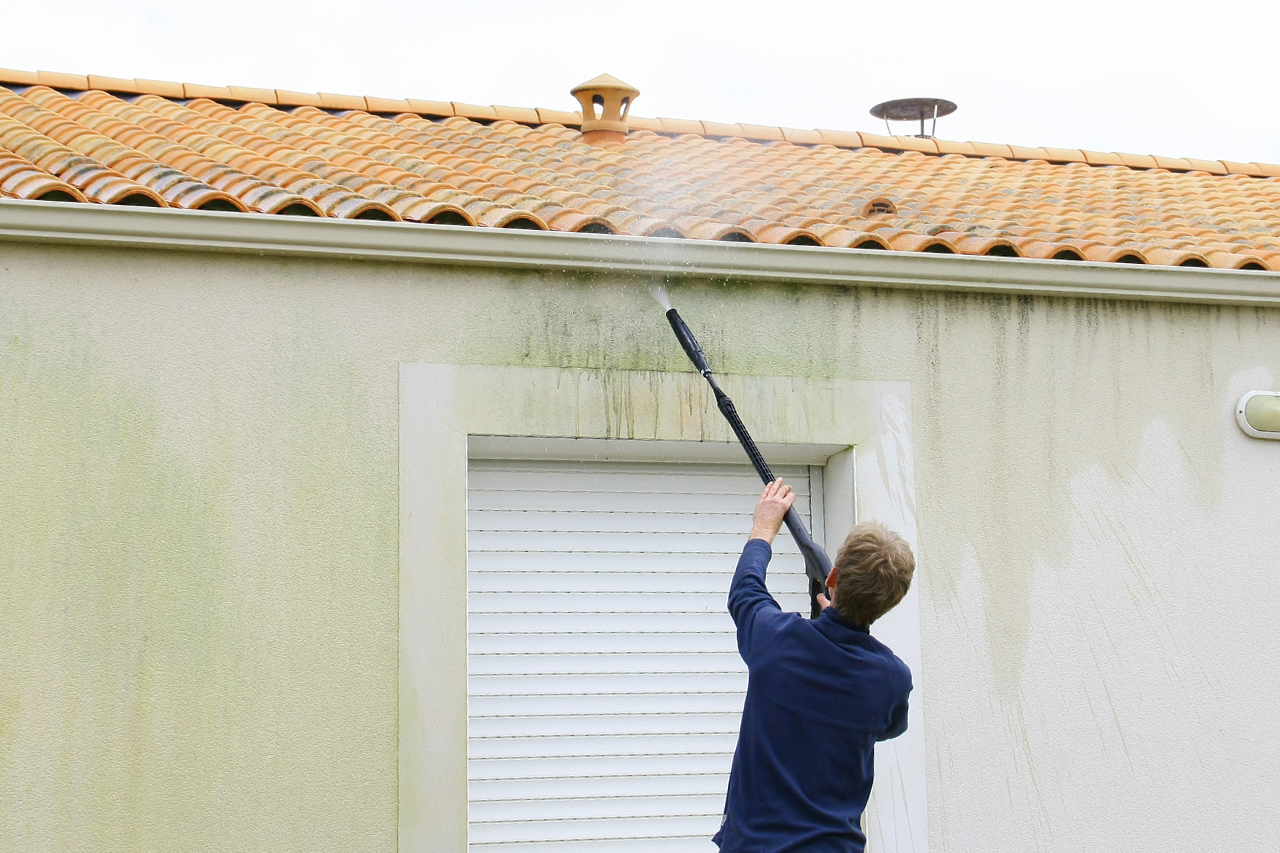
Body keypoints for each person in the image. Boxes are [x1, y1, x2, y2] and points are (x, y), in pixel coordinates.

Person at [713, 479, 915, 852]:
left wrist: (763, 528)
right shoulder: (892, 680)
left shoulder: (776, 640)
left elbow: (746, 591)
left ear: (833, 579)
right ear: (891, 601)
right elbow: (888, 726)